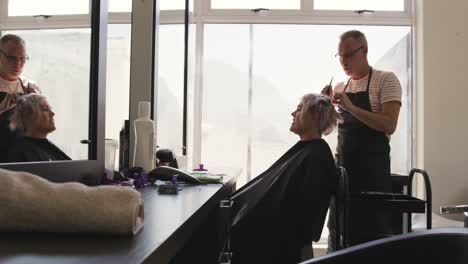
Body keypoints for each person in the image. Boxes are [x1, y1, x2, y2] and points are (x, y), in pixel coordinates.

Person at [230, 93, 340, 264]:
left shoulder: (316, 156)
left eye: (299, 109)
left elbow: (305, 220)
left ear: (316, 116)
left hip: (276, 242)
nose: (292, 114)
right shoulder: (310, 151)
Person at [323, 30, 402, 249]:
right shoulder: (341, 88)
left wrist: (350, 107)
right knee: (338, 242)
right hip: (343, 181)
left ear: (364, 50)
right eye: (339, 56)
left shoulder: (386, 80)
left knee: (370, 246)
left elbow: (389, 124)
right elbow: (328, 131)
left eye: (348, 55)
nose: (343, 61)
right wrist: (325, 107)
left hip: (372, 181)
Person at [0, 34, 41, 162]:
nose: (18, 64)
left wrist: (39, 111)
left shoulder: (31, 87)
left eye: (22, 58)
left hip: (24, 159)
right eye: (11, 58)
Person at [7, 93, 70, 162]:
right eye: (45, 109)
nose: (52, 113)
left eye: (50, 109)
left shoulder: (48, 147)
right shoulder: (19, 152)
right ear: (27, 115)